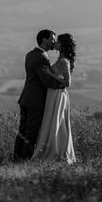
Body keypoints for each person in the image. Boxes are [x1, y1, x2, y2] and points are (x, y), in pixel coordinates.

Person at [12, 29, 66, 162]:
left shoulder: (30, 54)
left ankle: (17, 158)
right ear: (45, 40)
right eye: (53, 39)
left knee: (23, 131)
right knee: (31, 132)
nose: (54, 42)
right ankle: (25, 160)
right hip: (35, 100)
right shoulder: (41, 57)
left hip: (26, 98)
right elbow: (46, 79)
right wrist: (63, 85)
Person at [31, 33, 76, 164]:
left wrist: (52, 76)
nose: (55, 43)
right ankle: (53, 151)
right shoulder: (60, 59)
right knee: (53, 123)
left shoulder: (63, 61)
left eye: (58, 42)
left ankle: (57, 152)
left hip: (58, 95)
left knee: (58, 123)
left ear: (62, 45)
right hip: (53, 94)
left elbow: (68, 83)